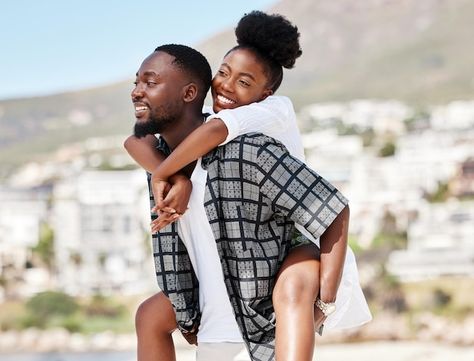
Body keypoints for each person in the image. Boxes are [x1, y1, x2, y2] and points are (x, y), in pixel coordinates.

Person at [126, 12, 370, 361]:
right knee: (148, 314)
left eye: (243, 81)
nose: (226, 86)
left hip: (301, 240)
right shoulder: (197, 145)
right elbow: (136, 140)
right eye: (223, 73)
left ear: (264, 92)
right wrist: (175, 175)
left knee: (292, 288)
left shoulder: (266, 117)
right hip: (252, 258)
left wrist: (326, 302)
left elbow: (330, 208)